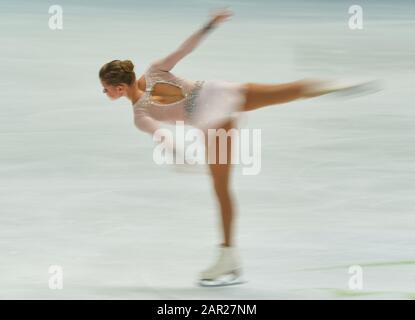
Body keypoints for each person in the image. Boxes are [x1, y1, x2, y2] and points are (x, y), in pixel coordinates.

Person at [99, 8, 376, 286]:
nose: (105, 93)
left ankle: (228, 257)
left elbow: (163, 136)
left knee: (221, 189)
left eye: (106, 89)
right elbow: (186, 49)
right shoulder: (155, 69)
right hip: (220, 92)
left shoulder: (139, 115)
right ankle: (333, 84)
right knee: (283, 92)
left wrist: (179, 154)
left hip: (210, 119)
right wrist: (210, 25)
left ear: (120, 88)